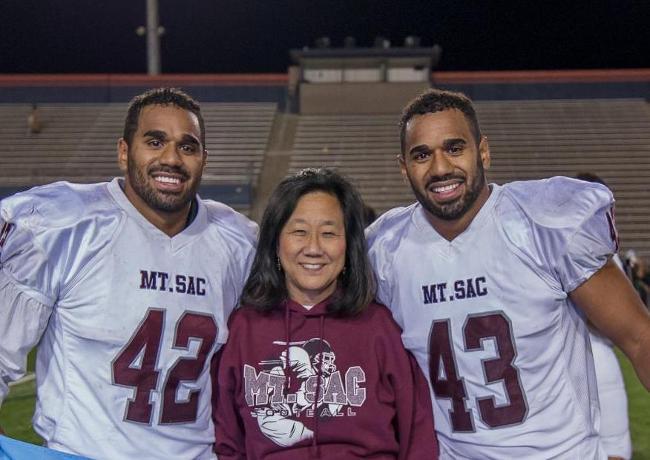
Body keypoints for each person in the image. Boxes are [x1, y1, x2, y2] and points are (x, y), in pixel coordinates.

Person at [366, 88, 650, 459]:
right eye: (422, 155)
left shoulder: (540, 223)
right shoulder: (383, 250)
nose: (439, 168)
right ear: (404, 167)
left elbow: (640, 337)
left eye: (455, 148)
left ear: (483, 151)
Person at [0, 88, 257, 459]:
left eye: (188, 147)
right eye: (155, 141)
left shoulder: (239, 241)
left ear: (203, 159)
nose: (171, 158)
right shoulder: (66, 225)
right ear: (124, 151)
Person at [214, 168, 437, 459]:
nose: (314, 248)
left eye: (329, 233)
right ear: (276, 243)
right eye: (299, 232)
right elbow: (228, 444)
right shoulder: (243, 329)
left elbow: (417, 436)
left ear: (349, 245)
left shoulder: (380, 327)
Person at [575, 172, 632, 460]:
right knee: (611, 450)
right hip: (595, 358)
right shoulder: (591, 248)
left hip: (571, 361)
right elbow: (610, 321)